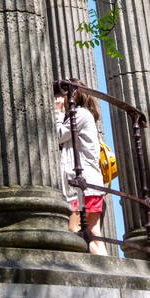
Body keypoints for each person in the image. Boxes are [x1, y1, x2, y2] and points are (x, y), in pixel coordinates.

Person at [55, 84, 106, 255]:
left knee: (74, 230)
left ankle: (103, 271)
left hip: (83, 186)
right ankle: (111, 269)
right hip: (92, 183)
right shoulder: (86, 115)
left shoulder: (80, 115)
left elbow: (59, 134)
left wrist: (57, 110)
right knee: (93, 232)